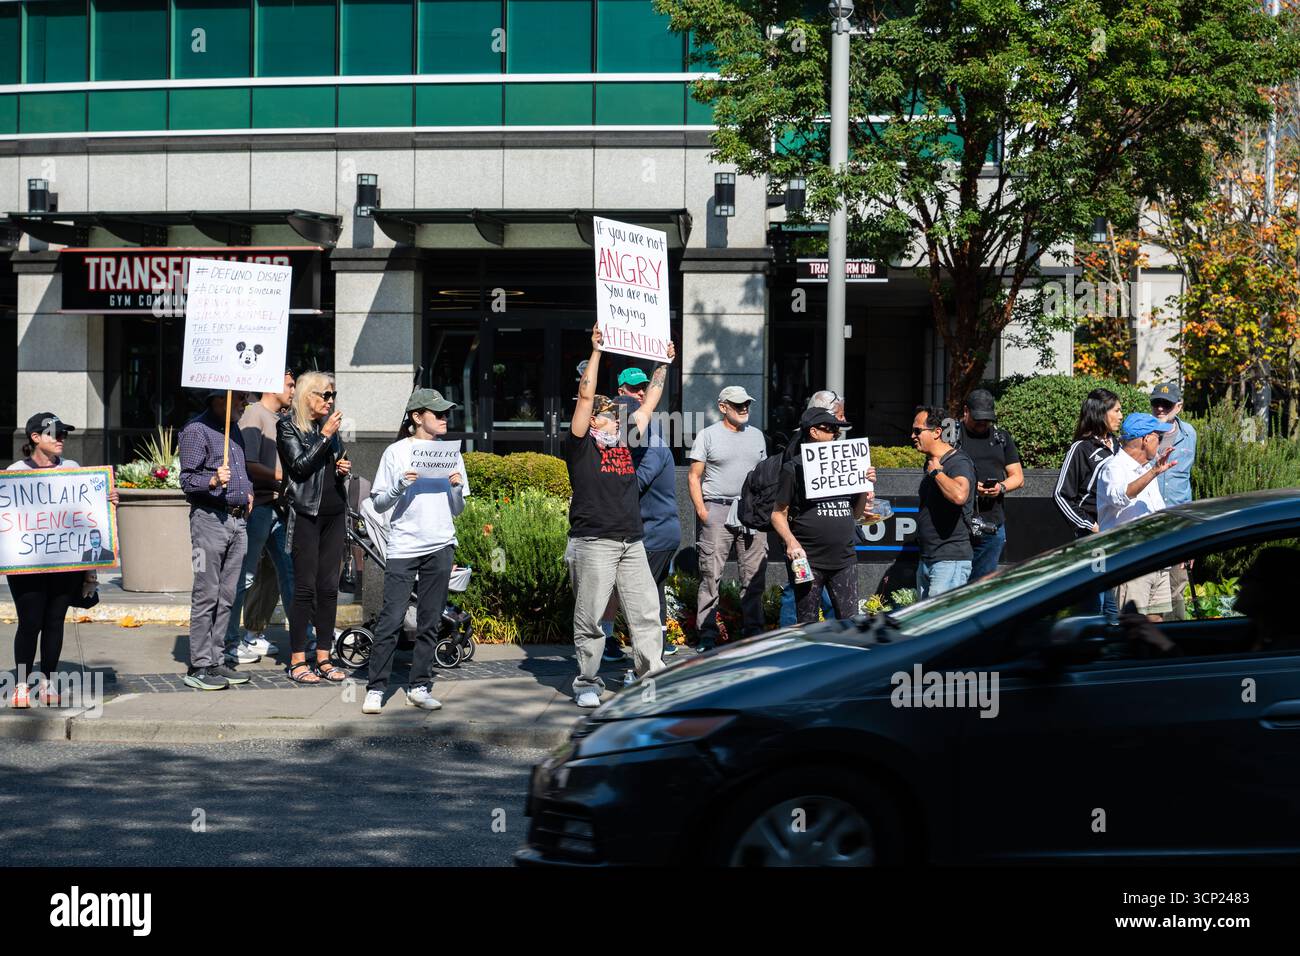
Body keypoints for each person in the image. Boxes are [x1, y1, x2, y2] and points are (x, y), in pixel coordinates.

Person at [565, 324, 675, 708]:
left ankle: (651, 679)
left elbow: (650, 402)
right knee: (592, 617)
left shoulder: (627, 436)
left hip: (632, 539)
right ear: (594, 421)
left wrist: (663, 362)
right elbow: (584, 395)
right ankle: (587, 683)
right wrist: (595, 351)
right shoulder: (580, 444)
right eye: (608, 412)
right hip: (594, 539)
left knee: (645, 612)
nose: (616, 416)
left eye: (615, 411)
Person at [362, 389, 466, 714]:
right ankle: (376, 688)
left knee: (430, 620)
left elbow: (458, 509)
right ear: (418, 417)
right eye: (438, 414)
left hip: (441, 543)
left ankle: (419, 685)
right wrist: (399, 487)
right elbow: (378, 502)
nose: (444, 418)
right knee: (392, 618)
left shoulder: (451, 454)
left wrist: (457, 488)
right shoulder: (396, 453)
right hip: (405, 545)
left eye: (446, 413)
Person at [7, 413, 118, 708]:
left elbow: (86, 509)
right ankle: (20, 683)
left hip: (65, 561)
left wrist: (106, 502)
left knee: (55, 621)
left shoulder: (72, 469)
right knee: (30, 622)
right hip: (28, 562)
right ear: (35, 438)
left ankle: (46, 681)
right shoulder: (16, 472)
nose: (61, 440)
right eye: (54, 434)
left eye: (63, 435)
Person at [600, 371, 683, 661]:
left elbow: (631, 486)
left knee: (638, 599)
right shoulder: (637, 442)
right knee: (652, 595)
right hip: (651, 531)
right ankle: (656, 648)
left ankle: (648, 661)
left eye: (642, 389)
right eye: (633, 389)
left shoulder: (651, 447)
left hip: (655, 535)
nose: (638, 393)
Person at [277, 371, 352, 685]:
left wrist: (341, 467)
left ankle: (324, 656)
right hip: (306, 513)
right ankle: (297, 660)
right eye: (325, 394)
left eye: (333, 395)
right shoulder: (288, 427)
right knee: (305, 588)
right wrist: (324, 437)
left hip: (334, 513)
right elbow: (299, 467)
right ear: (307, 395)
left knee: (328, 588)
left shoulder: (330, 428)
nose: (330, 400)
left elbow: (332, 463)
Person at [178, 390, 255, 691]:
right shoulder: (196, 430)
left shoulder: (232, 429)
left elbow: (241, 469)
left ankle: (216, 658)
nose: (245, 404)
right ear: (220, 399)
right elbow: (186, 480)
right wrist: (210, 481)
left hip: (237, 521)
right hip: (209, 520)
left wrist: (247, 490)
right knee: (206, 592)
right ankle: (199, 664)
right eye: (240, 399)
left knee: (228, 594)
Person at [770, 407, 873, 623]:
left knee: (850, 623)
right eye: (831, 430)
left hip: (844, 558)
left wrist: (864, 486)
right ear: (814, 432)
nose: (836, 435)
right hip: (809, 560)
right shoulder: (793, 468)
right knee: (807, 624)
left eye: (837, 431)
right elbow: (778, 514)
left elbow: (855, 514)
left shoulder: (847, 468)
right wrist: (791, 543)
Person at [687, 385, 769, 650]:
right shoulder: (708, 435)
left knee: (754, 575)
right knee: (710, 575)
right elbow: (693, 476)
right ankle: (707, 634)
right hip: (718, 509)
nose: (744, 408)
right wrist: (703, 511)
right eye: (737, 404)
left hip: (751, 511)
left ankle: (753, 633)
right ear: (723, 407)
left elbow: (764, 476)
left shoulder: (757, 436)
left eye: (746, 403)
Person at [223, 371, 296, 664]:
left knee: (288, 572)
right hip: (259, 507)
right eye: (290, 385)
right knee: (244, 575)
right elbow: (248, 463)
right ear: (274, 385)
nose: (293, 390)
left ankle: (302, 637)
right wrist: (283, 476)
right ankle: (229, 640)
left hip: (279, 507)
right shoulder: (254, 414)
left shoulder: (282, 419)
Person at [1095, 413, 1178, 619]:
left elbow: (1157, 511)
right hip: (1131, 563)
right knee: (1134, 627)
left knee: (1157, 622)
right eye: (1158, 436)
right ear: (1146, 439)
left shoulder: (1148, 468)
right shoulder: (1113, 467)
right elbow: (1120, 497)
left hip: (1157, 560)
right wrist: (1153, 473)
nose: (1160, 442)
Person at [1054, 388, 1122, 618]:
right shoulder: (1081, 448)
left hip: (1115, 535)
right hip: (1093, 538)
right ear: (1101, 413)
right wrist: (1089, 525)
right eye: (1117, 410)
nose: (1121, 416)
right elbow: (1061, 495)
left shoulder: (1119, 445)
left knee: (1114, 602)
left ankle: (1114, 649)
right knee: (1095, 600)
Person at [778, 390, 842, 626]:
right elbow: (786, 501)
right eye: (834, 421)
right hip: (802, 534)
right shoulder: (799, 448)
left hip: (815, 537)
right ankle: (788, 639)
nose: (838, 427)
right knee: (800, 586)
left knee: (803, 585)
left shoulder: (822, 446)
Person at [955, 389, 1024, 580]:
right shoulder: (952, 437)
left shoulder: (1001, 437)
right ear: (966, 411)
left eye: (987, 419)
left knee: (981, 587)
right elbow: (937, 469)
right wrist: (968, 487)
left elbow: (1017, 476)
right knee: (955, 587)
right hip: (957, 525)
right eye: (978, 419)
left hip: (991, 523)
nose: (982, 423)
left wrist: (1000, 487)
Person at [911, 405, 976, 599]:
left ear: (937, 432)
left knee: (941, 623)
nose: (913, 436)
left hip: (950, 560)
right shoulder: (931, 462)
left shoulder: (959, 462)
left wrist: (938, 473)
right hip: (929, 558)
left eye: (917, 431)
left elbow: (959, 495)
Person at [1151, 381, 1198, 619]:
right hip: (1147, 524)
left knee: (1176, 589)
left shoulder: (1190, 434)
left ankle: (1177, 644)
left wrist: (1190, 536)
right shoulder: (1143, 434)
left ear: (1178, 407)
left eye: (1166, 404)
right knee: (1147, 593)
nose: (1160, 408)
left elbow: (1186, 484)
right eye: (1156, 403)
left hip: (1177, 525)